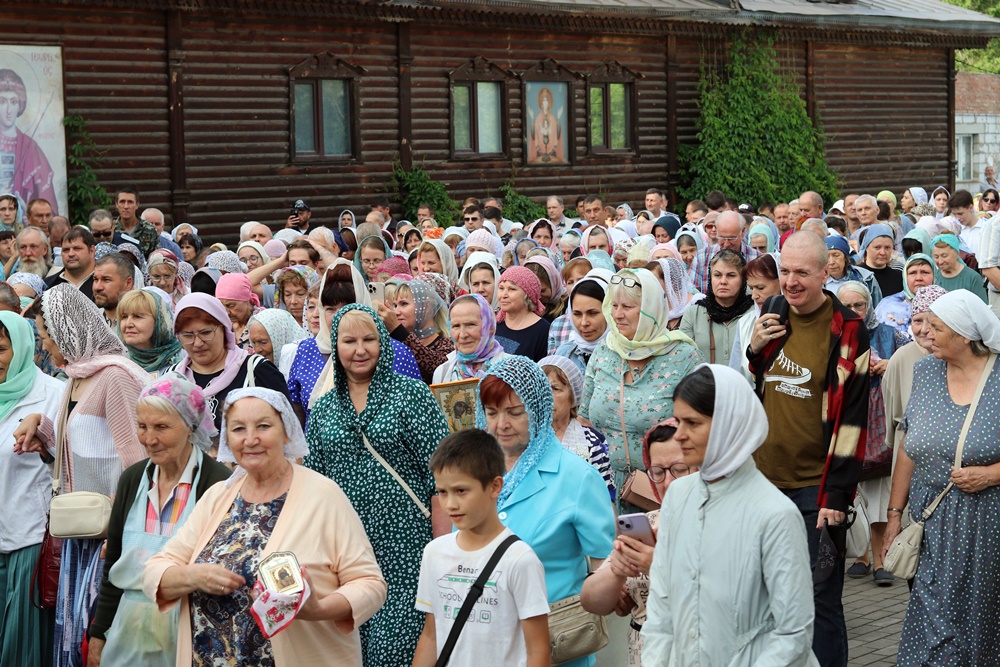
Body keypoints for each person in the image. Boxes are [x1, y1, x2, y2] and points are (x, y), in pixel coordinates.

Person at [143, 388, 387, 666]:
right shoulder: (219, 496)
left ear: (286, 432)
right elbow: (155, 571)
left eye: (263, 426)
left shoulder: (323, 495)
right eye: (238, 429)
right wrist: (194, 576)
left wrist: (316, 609)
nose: (250, 439)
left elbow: (369, 584)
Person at [641, 365, 819, 667]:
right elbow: (661, 608)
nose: (679, 435)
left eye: (693, 423)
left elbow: (794, 632)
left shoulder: (775, 514)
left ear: (729, 423)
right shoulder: (678, 497)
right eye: (679, 421)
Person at [747, 232, 870, 667]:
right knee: (764, 594)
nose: (791, 281)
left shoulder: (848, 329)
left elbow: (853, 417)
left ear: (825, 272)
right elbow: (762, 379)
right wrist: (754, 349)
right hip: (762, 483)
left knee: (819, 599)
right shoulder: (774, 308)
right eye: (785, 271)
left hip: (815, 490)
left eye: (802, 272)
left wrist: (836, 494)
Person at [14, 285, 151, 667]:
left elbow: (138, 460)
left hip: (108, 535)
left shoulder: (115, 378)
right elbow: (75, 449)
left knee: (98, 638)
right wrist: (42, 428)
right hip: (82, 531)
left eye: (47, 336)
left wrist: (121, 530)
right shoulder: (77, 377)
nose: (45, 347)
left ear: (67, 333)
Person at [305, 305, 450, 665]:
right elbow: (313, 485)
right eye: (349, 341)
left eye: (369, 339)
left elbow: (443, 479)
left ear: (383, 342)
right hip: (347, 553)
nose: (360, 350)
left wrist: (443, 551)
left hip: (408, 551)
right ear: (335, 346)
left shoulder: (412, 395)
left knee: (394, 651)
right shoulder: (323, 409)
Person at [883, 289, 1000, 665]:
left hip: (986, 526)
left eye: (935, 327)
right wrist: (894, 515)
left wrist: (991, 474)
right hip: (930, 522)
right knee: (933, 623)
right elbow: (908, 444)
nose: (924, 332)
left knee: (981, 622)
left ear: (964, 335)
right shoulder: (925, 371)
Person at [476, 355, 616, 667]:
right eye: (491, 412)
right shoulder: (474, 473)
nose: (501, 424)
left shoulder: (577, 476)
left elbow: (603, 566)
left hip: (556, 645)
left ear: (538, 409)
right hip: (487, 645)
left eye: (515, 412)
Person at [87, 377, 231, 667]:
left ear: (190, 426)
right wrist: (99, 634)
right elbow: (113, 562)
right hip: (127, 631)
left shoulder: (217, 483)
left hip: (190, 630)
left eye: (161, 427)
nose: (149, 439)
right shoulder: (132, 480)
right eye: (142, 426)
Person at [412, 430, 551, 667]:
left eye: (461, 491)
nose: (450, 504)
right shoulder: (434, 553)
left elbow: (538, 650)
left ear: (495, 487)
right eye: (442, 492)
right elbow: (431, 635)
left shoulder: (520, 559)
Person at [581, 268, 703, 513]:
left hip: (665, 488)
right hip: (604, 491)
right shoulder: (604, 352)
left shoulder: (683, 357)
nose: (617, 314)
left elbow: (701, 428)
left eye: (627, 306)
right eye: (614, 305)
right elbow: (584, 420)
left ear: (650, 308)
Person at [580, 419, 693, 666]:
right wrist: (616, 573)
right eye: (658, 472)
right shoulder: (647, 524)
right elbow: (590, 600)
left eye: (679, 469)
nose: (668, 483)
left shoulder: (723, 526)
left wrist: (658, 566)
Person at [0, 311, 65, 666]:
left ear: (23, 348)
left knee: (21, 648)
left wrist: (44, 443)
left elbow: (68, 463)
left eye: (1, 350)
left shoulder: (53, 395)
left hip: (28, 538)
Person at [287, 262, 420, 428]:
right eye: (330, 309)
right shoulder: (307, 350)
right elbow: (297, 414)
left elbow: (415, 415)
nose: (339, 316)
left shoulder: (395, 352)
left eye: (347, 307)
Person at [837, 281, 902, 585]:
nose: (854, 311)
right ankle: (860, 555)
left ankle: (881, 559)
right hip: (846, 420)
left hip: (879, 422)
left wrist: (889, 364)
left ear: (869, 305)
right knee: (852, 492)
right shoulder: (832, 335)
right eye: (847, 306)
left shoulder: (888, 333)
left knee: (878, 492)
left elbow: (912, 362)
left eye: (859, 305)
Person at [166, 293, 289, 435]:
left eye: (205, 333)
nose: (198, 343)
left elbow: (287, 429)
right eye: (188, 335)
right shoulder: (173, 378)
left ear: (224, 329)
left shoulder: (257, 370)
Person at [539, 355, 614, 499]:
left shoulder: (592, 443)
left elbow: (605, 497)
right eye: (541, 387)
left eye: (555, 388)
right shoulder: (523, 438)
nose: (547, 395)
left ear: (573, 396)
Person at [680, 249, 753, 367]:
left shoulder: (754, 312)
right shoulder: (694, 313)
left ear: (743, 280)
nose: (723, 281)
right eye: (717, 275)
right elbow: (684, 359)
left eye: (731, 275)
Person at [376, 277, 454, 384]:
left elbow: (438, 368)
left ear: (425, 307)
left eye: (404, 304)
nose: (396, 312)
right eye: (395, 306)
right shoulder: (394, 343)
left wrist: (398, 331)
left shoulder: (447, 345)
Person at [432, 294, 507, 383]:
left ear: (490, 328)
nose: (463, 335)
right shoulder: (442, 373)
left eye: (470, 325)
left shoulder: (511, 368)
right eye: (456, 326)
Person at [730, 254, 782, 380]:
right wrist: (753, 350)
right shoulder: (745, 324)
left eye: (760, 288)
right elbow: (735, 377)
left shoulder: (800, 321)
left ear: (782, 282)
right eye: (751, 288)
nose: (754, 296)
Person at [117, 288, 184, 377]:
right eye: (124, 317)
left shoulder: (184, 360)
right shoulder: (118, 363)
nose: (128, 324)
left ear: (159, 322)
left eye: (137, 316)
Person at [555, 269, 611, 373]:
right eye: (577, 314)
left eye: (592, 313)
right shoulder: (564, 355)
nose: (584, 323)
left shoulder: (624, 356)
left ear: (609, 312)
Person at [495, 266, 550, 362]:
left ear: (528, 294)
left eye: (512, 289)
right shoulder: (495, 324)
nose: (504, 295)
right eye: (501, 288)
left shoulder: (542, 330)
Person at [247, 308, 309, 377]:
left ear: (281, 337)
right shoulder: (256, 372)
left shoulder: (305, 367)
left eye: (263, 342)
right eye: (253, 343)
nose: (257, 349)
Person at [824, 235, 883, 307]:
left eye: (836, 255)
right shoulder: (818, 281)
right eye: (827, 256)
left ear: (845, 258)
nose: (831, 262)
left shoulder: (866, 278)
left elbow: (878, 308)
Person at [214, 272, 263, 352]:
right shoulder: (220, 324)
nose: (227, 312)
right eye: (222, 306)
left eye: (231, 305)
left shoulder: (263, 322)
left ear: (247, 300)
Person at [931, 234, 988, 302]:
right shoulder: (935, 276)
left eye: (944, 256)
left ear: (957, 254)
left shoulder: (972, 278)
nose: (940, 261)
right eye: (936, 257)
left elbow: (981, 306)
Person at [860, 224, 904, 297]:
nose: (883, 253)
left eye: (887, 248)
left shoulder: (899, 277)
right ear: (866, 247)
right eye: (877, 247)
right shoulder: (856, 275)